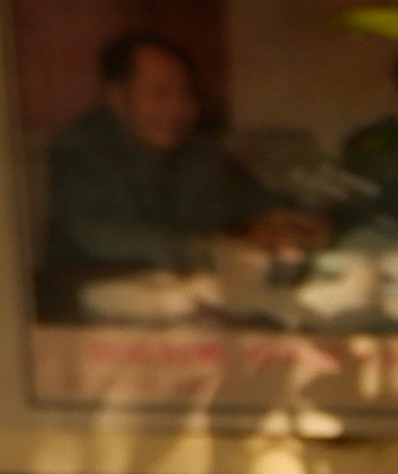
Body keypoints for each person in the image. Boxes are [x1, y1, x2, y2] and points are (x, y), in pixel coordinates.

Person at [29, 31, 316, 323]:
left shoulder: (200, 151)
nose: (177, 109)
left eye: (186, 95)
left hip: (188, 300)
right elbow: (99, 234)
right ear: (116, 97)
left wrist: (289, 221)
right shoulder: (80, 149)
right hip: (88, 307)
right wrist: (206, 250)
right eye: (160, 94)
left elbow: (253, 199)